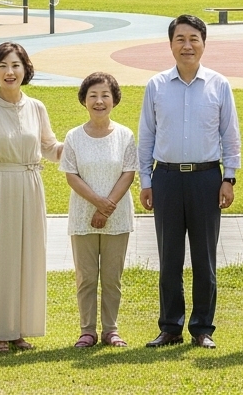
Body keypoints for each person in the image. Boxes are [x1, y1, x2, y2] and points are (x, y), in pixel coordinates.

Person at [139, 14, 241, 349]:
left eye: (194, 38)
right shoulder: (155, 85)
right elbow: (147, 136)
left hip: (206, 179)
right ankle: (170, 326)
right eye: (180, 39)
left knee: (204, 257)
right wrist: (146, 180)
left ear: (204, 43)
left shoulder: (219, 84)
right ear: (170, 44)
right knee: (169, 257)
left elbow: (231, 135)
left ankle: (202, 328)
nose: (187, 45)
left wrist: (229, 178)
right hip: (166, 177)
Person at [0, 42, 63, 352]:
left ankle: (19, 330)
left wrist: (78, 145)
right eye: (3, 67)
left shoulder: (37, 107)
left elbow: (49, 147)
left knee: (28, 257)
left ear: (25, 69)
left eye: (15, 65)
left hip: (30, 185)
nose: (10, 72)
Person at [60, 72, 138, 349]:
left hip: (117, 215)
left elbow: (129, 173)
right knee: (86, 277)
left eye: (105, 95)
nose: (99, 101)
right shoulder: (73, 137)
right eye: (92, 95)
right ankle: (87, 330)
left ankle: (111, 329)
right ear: (84, 100)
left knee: (112, 278)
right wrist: (97, 203)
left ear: (114, 99)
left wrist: (106, 208)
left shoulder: (125, 135)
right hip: (82, 216)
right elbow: (71, 175)